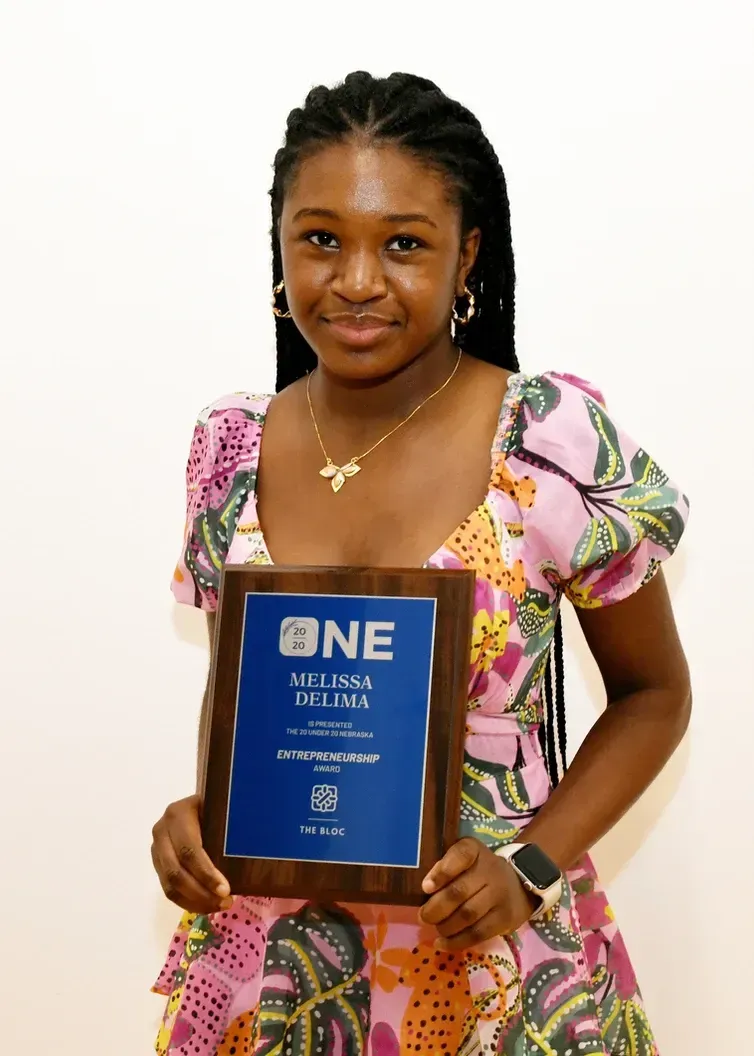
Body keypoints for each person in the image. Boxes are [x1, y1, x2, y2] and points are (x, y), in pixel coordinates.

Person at [151, 71, 691, 1056]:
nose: (356, 279)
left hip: (496, 971)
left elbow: (655, 694)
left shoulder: (544, 443)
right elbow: (247, 698)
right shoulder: (232, 448)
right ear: (279, 250)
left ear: (466, 254)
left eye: (403, 243)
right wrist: (200, 824)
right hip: (280, 977)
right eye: (321, 238)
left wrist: (530, 865)